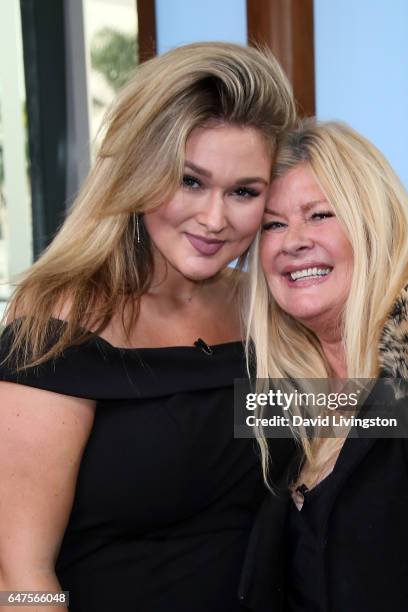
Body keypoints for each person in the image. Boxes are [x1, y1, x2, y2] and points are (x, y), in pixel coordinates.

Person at [0, 42, 297, 612]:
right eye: (190, 181)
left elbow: (368, 418)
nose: (214, 219)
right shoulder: (63, 318)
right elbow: (21, 572)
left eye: (243, 192)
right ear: (140, 170)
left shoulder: (262, 311)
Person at [240, 120, 408, 611]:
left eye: (320, 214)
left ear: (374, 223)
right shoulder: (278, 394)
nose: (294, 241)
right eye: (273, 224)